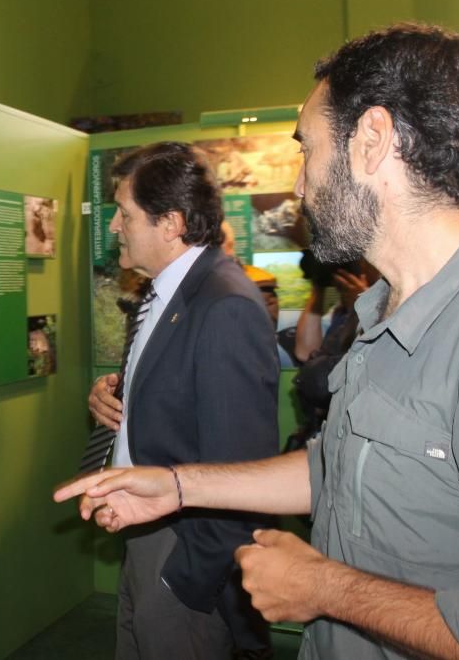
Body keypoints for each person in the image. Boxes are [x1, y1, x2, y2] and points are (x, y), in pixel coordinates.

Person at [59, 24, 459, 659]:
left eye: (307, 149)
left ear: (372, 141)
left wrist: (326, 588)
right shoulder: (388, 310)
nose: (298, 186)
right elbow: (336, 468)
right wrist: (178, 486)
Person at [87, 141, 280, 659]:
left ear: (169, 223)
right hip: (146, 531)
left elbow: (242, 463)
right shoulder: (168, 292)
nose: (112, 226)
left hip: (182, 549)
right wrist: (113, 395)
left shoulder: (223, 307)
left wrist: (188, 579)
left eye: (124, 214)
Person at [279, 250, 373, 452]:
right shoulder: (342, 311)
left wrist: (364, 305)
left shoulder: (383, 310)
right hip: (325, 427)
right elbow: (305, 352)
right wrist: (318, 287)